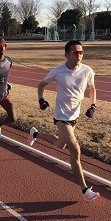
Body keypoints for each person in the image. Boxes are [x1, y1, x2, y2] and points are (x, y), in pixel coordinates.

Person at [28, 40, 99, 201]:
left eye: (81, 52)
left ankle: (35, 134)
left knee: (61, 144)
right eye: (75, 52)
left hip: (75, 116)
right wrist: (41, 100)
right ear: (67, 54)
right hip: (61, 116)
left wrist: (93, 106)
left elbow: (92, 88)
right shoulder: (58, 71)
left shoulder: (88, 71)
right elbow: (41, 85)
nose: (79, 55)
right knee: (74, 148)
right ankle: (85, 190)